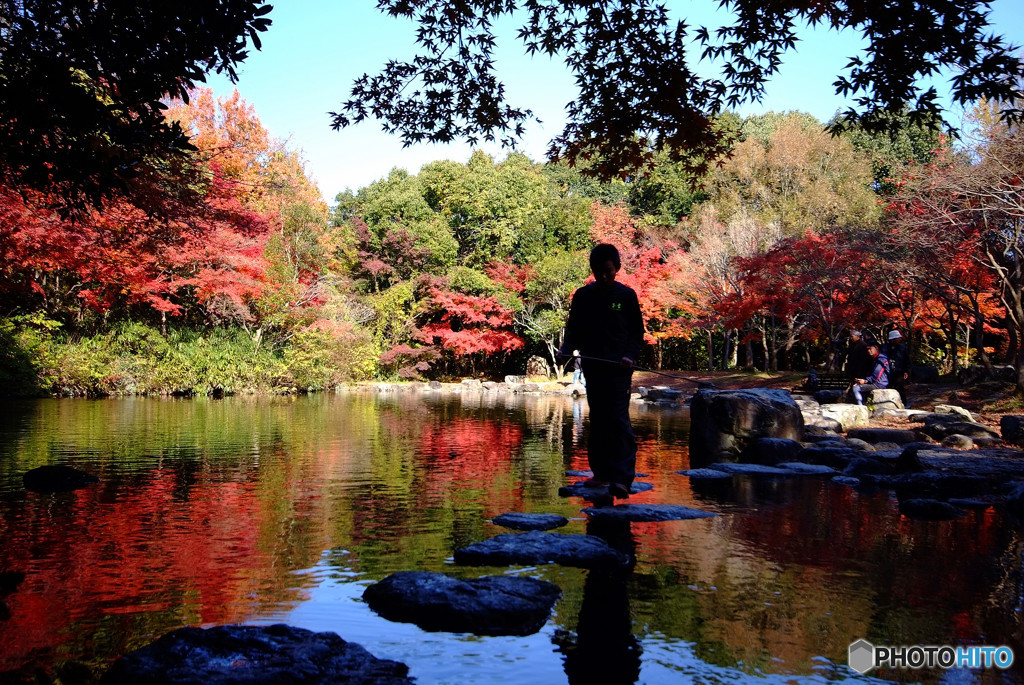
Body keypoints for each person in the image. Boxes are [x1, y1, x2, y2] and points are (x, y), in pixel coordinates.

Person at [558, 244, 645, 500]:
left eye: (608, 271)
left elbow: (636, 334)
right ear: (592, 270)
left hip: (619, 369)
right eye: (598, 271)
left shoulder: (626, 296)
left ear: (617, 268)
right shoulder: (583, 296)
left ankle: (622, 478)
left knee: (617, 419)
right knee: (598, 419)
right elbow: (573, 330)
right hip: (593, 367)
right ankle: (602, 473)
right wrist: (566, 349)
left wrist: (630, 355)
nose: (603, 276)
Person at [849, 340, 890, 406]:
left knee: (856, 388)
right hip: (875, 382)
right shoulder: (874, 359)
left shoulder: (881, 359)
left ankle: (861, 408)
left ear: (876, 348)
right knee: (856, 386)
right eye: (867, 349)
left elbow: (876, 376)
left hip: (879, 384)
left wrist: (865, 381)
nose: (868, 351)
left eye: (870, 348)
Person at [882, 329, 910, 405]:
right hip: (887, 371)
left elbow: (906, 360)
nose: (899, 339)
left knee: (900, 388)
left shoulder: (902, 348)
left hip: (899, 370)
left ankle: (904, 403)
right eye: (898, 338)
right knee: (888, 387)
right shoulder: (884, 348)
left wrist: (906, 371)